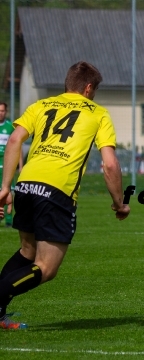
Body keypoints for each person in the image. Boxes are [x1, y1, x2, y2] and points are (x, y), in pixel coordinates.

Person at [0, 61, 130, 329]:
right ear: (89, 88)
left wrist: (5, 187)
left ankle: (0, 312)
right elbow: (110, 164)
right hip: (55, 190)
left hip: (25, 185)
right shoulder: (98, 113)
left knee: (27, 251)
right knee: (46, 268)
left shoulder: (42, 105)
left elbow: (14, 140)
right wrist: (119, 203)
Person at [0, 102, 24, 227]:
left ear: (6, 112)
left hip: (6, 163)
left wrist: (20, 166)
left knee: (8, 190)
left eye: (3, 110)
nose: (1, 113)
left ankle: (9, 220)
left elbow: (17, 147)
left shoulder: (10, 127)